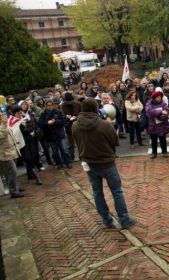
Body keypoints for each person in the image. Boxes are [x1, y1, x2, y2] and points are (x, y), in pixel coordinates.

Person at [72, 98, 135, 229]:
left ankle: (106, 220)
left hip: (89, 163)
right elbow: (114, 141)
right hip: (106, 162)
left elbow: (77, 141)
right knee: (116, 191)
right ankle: (124, 220)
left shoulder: (75, 125)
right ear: (96, 108)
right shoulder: (103, 124)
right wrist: (109, 124)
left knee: (97, 192)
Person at [38, 99, 73, 169]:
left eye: (51, 105)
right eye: (48, 105)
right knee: (55, 152)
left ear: (53, 105)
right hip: (50, 136)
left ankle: (68, 162)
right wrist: (47, 123)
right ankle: (59, 164)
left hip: (60, 134)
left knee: (64, 150)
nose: (50, 107)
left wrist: (55, 121)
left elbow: (63, 121)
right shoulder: (43, 114)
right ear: (46, 106)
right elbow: (40, 124)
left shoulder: (58, 111)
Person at [0, 110, 25, 198]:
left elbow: (10, 133)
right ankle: (14, 191)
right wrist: (4, 124)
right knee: (12, 171)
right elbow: (1, 135)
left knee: (11, 172)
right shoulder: (3, 124)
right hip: (4, 153)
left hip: (12, 150)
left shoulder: (4, 122)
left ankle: (15, 188)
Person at [146, 91, 169, 159]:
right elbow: (150, 112)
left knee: (163, 139)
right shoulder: (149, 104)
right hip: (153, 125)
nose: (159, 98)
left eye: (160, 97)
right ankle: (154, 153)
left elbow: (166, 112)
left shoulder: (164, 104)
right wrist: (161, 112)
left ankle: (164, 152)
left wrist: (160, 116)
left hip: (162, 124)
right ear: (154, 98)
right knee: (153, 140)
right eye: (157, 97)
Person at [61, 92, 81, 160]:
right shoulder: (63, 105)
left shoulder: (77, 104)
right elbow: (61, 115)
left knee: (79, 142)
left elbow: (82, 113)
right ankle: (72, 157)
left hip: (78, 125)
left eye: (70, 101)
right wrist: (65, 116)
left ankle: (82, 155)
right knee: (70, 143)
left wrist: (77, 117)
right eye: (67, 101)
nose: (69, 103)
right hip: (68, 126)